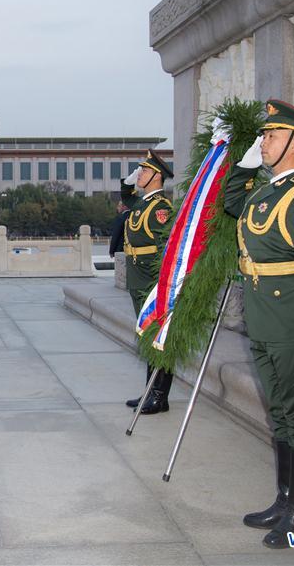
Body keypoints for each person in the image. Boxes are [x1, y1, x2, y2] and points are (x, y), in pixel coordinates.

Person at [224, 99, 294, 549]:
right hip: (264, 321)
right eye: (264, 136)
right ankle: (284, 500)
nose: (264, 142)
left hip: (293, 325)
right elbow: (233, 204)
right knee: (282, 414)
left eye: (271, 136)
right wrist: (243, 165)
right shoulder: (265, 192)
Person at [120, 152, 175, 414]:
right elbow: (126, 198)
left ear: (157, 176)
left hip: (151, 280)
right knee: (147, 337)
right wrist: (127, 182)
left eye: (143, 172)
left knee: (157, 338)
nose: (139, 175)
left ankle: (159, 395)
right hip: (138, 277)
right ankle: (150, 391)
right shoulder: (143, 203)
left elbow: (167, 247)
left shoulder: (161, 208)